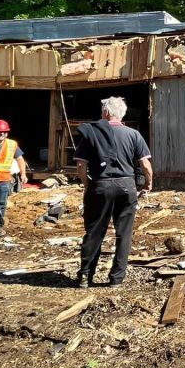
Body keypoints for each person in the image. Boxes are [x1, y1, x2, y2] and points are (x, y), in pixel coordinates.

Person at [74, 96, 152, 288]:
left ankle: (85, 276)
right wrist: (148, 183)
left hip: (100, 185)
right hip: (126, 186)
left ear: (107, 113)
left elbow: (81, 166)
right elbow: (145, 164)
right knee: (124, 233)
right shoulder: (133, 134)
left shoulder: (92, 133)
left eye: (102, 111)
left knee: (94, 231)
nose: (100, 115)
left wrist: (87, 185)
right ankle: (116, 279)